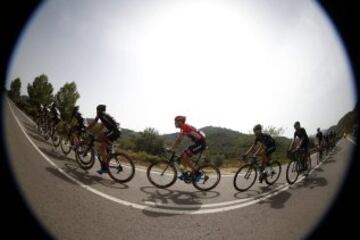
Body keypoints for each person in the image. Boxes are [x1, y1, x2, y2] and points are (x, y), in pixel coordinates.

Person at [170, 116, 206, 181]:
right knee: (182, 156)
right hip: (197, 143)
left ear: (180, 122)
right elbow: (180, 139)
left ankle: (198, 173)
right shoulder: (184, 127)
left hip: (201, 144)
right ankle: (185, 173)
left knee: (185, 157)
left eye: (176, 122)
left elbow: (179, 139)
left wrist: (172, 148)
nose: (175, 123)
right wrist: (174, 147)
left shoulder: (184, 126)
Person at [87, 104, 121, 174]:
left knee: (102, 148)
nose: (96, 112)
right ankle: (107, 152)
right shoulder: (105, 115)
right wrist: (96, 133)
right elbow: (102, 127)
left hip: (114, 131)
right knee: (101, 136)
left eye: (96, 110)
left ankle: (105, 168)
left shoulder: (100, 114)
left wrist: (86, 128)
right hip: (115, 131)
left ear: (98, 110)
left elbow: (93, 123)